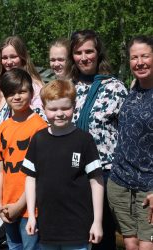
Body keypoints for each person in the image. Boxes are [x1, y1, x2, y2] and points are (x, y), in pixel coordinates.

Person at [22, 79, 104, 250]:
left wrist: (97, 222)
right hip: (47, 228)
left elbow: (96, 181)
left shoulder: (84, 140)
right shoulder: (38, 139)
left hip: (78, 228)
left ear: (74, 106)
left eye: (65, 108)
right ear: (43, 108)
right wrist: (31, 215)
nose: (59, 113)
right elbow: (30, 178)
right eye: (53, 109)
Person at [69, 29, 128, 250]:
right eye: (78, 52)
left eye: (89, 51)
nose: (84, 57)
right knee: (76, 233)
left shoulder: (115, 88)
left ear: (98, 53)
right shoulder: (69, 87)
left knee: (102, 235)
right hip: (74, 170)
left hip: (105, 172)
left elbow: (126, 134)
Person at [0, 68, 47, 250]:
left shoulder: (39, 127)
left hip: (30, 208)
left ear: (31, 92)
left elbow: (41, 173)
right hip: (7, 205)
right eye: (11, 93)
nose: (16, 97)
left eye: (22, 91)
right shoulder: (3, 128)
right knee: (13, 246)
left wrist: (19, 205)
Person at [108, 35, 153, 250]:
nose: (140, 62)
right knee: (129, 243)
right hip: (120, 182)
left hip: (149, 186)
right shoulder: (133, 87)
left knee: (147, 245)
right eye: (134, 57)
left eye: (145, 56)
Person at [0, 35, 44, 112]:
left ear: (22, 57)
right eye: (4, 58)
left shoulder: (34, 85)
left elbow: (40, 112)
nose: (9, 62)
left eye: (13, 57)